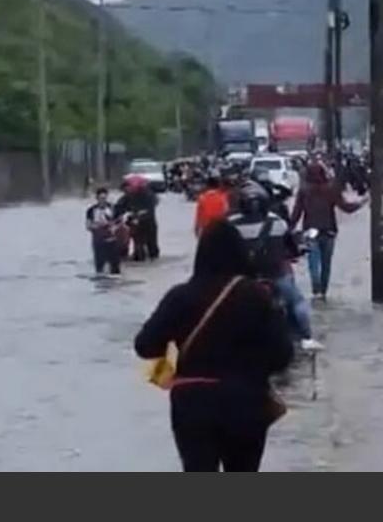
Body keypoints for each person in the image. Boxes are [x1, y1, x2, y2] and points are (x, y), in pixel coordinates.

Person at [134, 221, 293, 472]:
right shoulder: (257, 296)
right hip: (246, 402)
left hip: (192, 402)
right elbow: (283, 355)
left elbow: (145, 346)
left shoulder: (180, 296)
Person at [229, 185, 321, 351]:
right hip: (276, 275)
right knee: (297, 302)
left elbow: (221, 250)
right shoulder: (277, 222)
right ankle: (306, 338)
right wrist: (297, 251)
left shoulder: (230, 224)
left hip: (243, 279)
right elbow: (292, 247)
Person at [289, 161, 367, 300]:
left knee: (313, 264)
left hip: (310, 231)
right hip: (329, 230)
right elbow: (346, 208)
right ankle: (323, 293)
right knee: (326, 265)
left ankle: (316, 291)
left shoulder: (304, 191)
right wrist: (362, 202)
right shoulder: (331, 190)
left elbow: (296, 214)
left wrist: (287, 229)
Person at [85, 187, 121, 276]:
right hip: (98, 241)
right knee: (99, 265)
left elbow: (119, 222)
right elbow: (88, 225)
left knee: (115, 265)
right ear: (97, 198)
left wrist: (114, 227)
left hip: (112, 240)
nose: (103, 201)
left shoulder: (113, 208)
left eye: (104, 198)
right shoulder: (91, 210)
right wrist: (96, 226)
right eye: (101, 198)